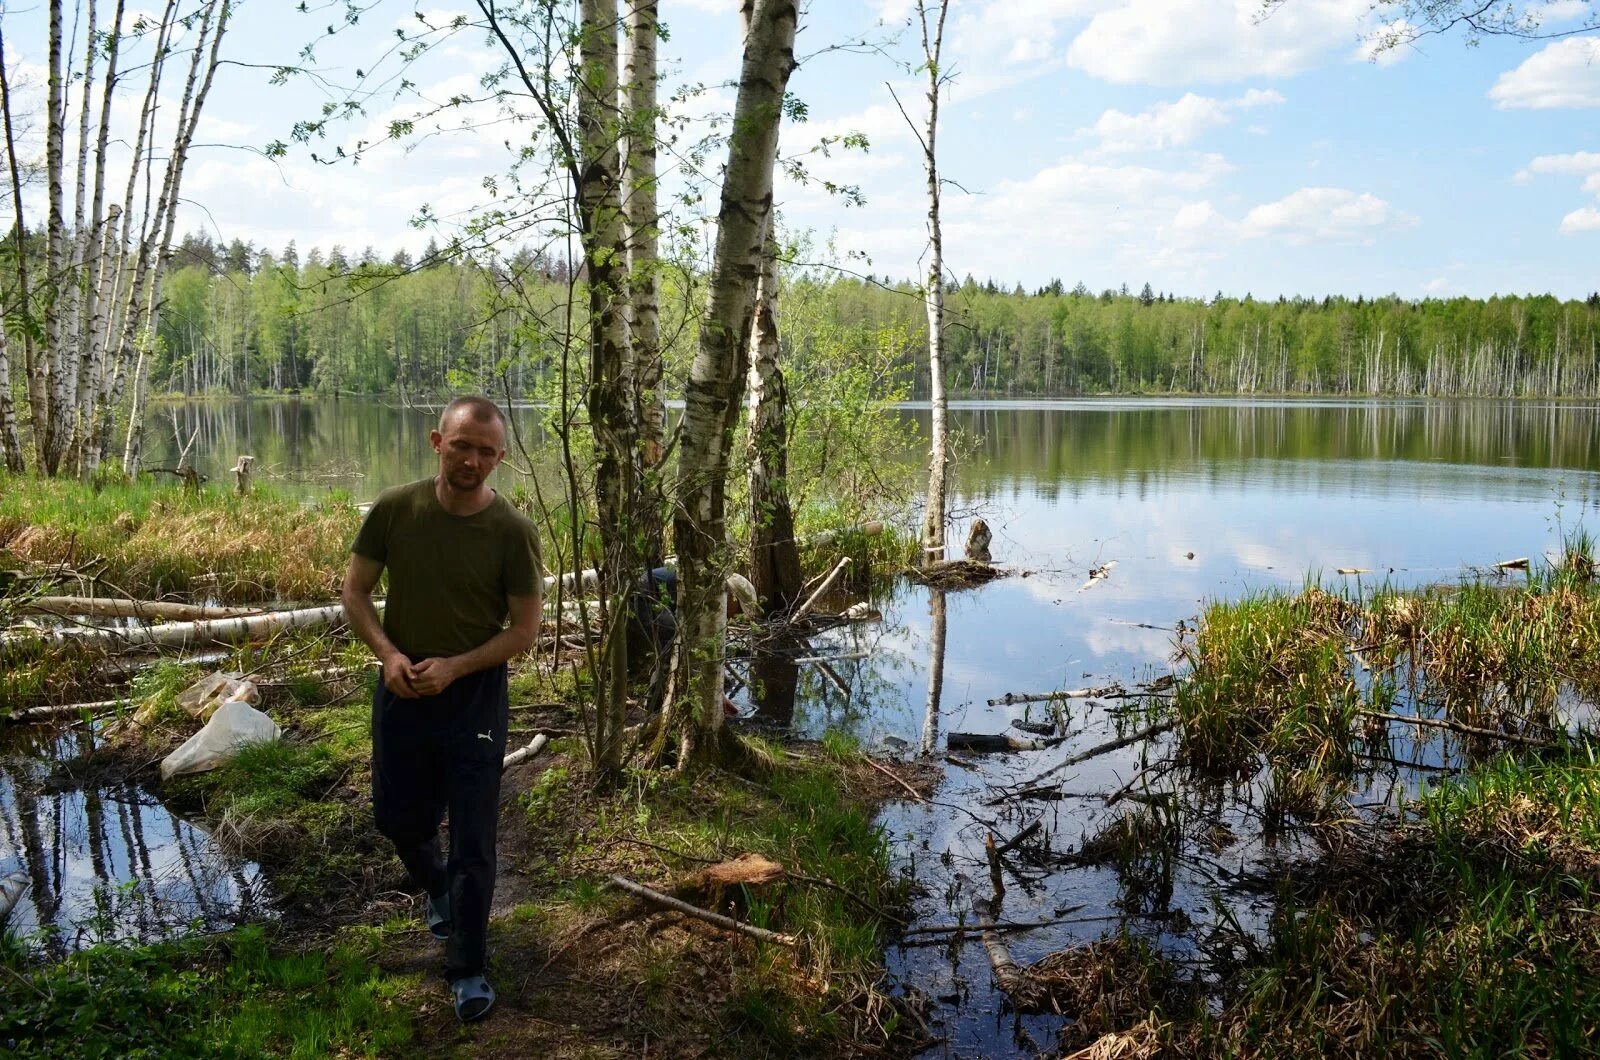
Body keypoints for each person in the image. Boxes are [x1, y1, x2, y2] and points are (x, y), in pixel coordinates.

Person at [341, 395, 542, 1023]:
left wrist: (456, 666)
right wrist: (388, 655)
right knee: (399, 818)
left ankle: (468, 966)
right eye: (462, 446)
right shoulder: (397, 510)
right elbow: (355, 591)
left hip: (475, 693)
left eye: (486, 451)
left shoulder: (512, 531)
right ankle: (435, 887)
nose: (472, 460)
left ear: (500, 458)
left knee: (475, 838)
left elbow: (525, 631)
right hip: (403, 684)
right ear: (437, 441)